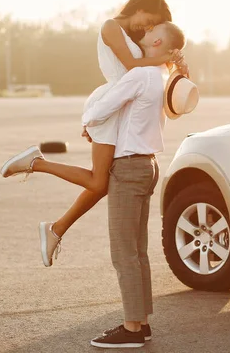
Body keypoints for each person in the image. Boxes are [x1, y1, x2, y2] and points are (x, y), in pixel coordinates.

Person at [0, 0, 188, 267]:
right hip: (110, 103)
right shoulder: (111, 27)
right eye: (150, 20)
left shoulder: (138, 38)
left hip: (120, 107)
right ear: (140, 7)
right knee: (98, 182)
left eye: (153, 25)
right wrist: (164, 61)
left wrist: (176, 65)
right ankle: (37, 164)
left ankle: (55, 228)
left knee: (100, 184)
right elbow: (133, 66)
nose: (148, 27)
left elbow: (148, 74)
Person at [81, 21, 196, 348]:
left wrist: (87, 122)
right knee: (137, 251)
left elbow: (100, 109)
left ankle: (133, 328)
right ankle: (141, 322)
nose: (142, 31)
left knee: (123, 253)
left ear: (157, 40)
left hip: (129, 166)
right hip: (147, 165)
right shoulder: (160, 74)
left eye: (149, 30)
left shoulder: (139, 75)